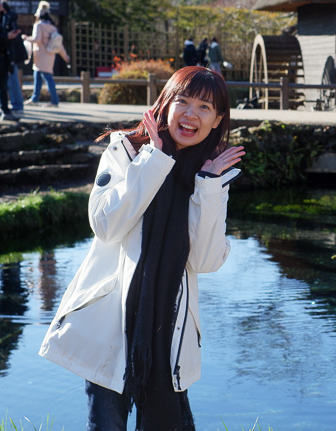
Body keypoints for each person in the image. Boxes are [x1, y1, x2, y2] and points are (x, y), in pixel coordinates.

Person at [39, 66, 245, 430]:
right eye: (183, 101)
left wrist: (210, 187)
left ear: (217, 121)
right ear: (166, 103)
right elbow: (106, 226)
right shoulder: (126, 151)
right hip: (111, 324)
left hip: (169, 334)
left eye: (204, 107)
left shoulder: (209, 175)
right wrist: (155, 160)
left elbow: (206, 261)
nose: (191, 114)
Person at [23, 1, 70, 108]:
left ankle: (54, 101)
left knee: (47, 78)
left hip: (40, 55)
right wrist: (65, 56)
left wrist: (26, 38)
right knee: (38, 77)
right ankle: (35, 98)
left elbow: (37, 39)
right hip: (50, 55)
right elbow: (59, 45)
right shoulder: (53, 27)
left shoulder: (39, 25)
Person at [0, 0, 26, 117]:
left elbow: (12, 38)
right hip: (3, 53)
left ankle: (16, 105)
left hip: (8, 54)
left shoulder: (7, 19)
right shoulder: (0, 19)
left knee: (10, 79)